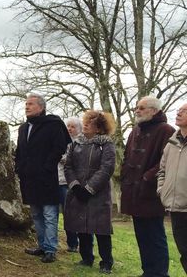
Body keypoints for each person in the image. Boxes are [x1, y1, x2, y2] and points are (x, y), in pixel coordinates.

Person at [121, 96, 174, 277]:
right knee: (142, 235)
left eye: (141, 108)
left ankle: (160, 273)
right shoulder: (135, 130)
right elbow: (128, 157)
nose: (137, 110)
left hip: (150, 192)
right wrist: (126, 176)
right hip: (134, 192)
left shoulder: (166, 130)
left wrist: (147, 177)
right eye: (137, 107)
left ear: (153, 110)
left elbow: (167, 161)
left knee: (155, 235)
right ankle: (147, 271)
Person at [15, 93, 70, 263]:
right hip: (29, 179)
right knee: (36, 214)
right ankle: (42, 246)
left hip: (47, 178)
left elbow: (60, 147)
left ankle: (51, 250)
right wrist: (19, 168)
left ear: (41, 107)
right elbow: (20, 151)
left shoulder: (53, 124)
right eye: (26, 104)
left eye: (31, 104)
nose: (27, 106)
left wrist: (47, 166)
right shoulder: (23, 128)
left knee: (49, 214)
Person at [64, 110, 116, 274]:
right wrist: (76, 186)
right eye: (85, 121)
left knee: (101, 229)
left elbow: (106, 168)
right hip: (77, 191)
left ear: (99, 128)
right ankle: (86, 258)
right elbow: (68, 166)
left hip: (98, 193)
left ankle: (106, 261)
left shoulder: (106, 144)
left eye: (90, 123)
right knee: (81, 227)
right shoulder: (75, 144)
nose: (85, 124)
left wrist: (89, 188)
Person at [157, 103, 187, 273]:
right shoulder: (171, 144)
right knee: (185, 252)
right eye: (178, 110)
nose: (179, 112)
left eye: (185, 110)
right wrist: (162, 191)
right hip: (176, 207)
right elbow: (162, 171)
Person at [59, 117, 81, 252]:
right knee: (66, 214)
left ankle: (80, 243)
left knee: (75, 213)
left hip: (75, 183)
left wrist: (64, 158)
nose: (69, 129)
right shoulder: (62, 142)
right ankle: (71, 243)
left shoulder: (81, 143)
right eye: (68, 126)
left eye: (73, 126)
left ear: (79, 129)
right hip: (61, 181)